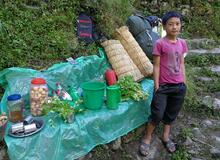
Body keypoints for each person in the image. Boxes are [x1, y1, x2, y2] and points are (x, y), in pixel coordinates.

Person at [139, 11, 188, 156]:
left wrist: (184, 82)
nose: (174, 27)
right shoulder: (160, 43)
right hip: (163, 87)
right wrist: (156, 86)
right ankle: (147, 138)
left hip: (179, 86)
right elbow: (157, 66)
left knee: (171, 113)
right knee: (157, 114)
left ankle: (166, 137)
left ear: (180, 26)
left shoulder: (182, 43)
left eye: (177, 24)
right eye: (170, 24)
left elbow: (182, 63)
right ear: (165, 26)